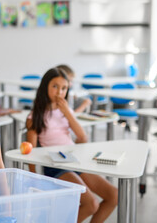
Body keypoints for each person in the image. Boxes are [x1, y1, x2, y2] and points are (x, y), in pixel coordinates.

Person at [26, 68, 117, 223]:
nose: (59, 92)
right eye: (55, 86)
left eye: (64, 88)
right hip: (55, 164)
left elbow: (82, 137)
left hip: (73, 160)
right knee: (91, 204)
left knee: (114, 195)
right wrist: (36, 180)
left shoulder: (65, 110)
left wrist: (67, 112)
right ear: (45, 87)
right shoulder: (35, 116)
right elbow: (31, 151)